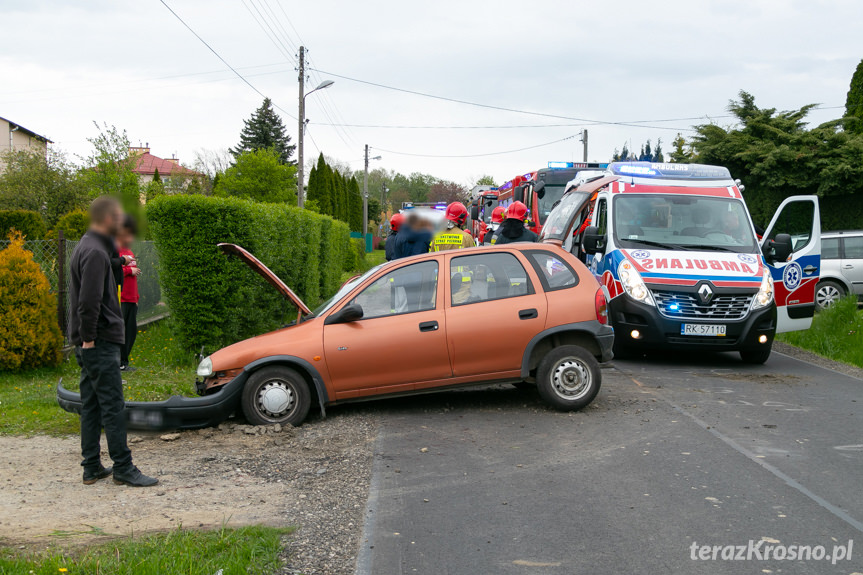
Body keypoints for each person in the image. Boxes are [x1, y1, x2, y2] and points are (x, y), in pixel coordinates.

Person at [69, 196, 158, 488]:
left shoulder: (89, 246)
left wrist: (120, 262)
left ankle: (91, 467)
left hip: (90, 342)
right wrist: (90, 340)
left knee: (92, 405)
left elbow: (106, 265)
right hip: (99, 342)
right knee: (113, 406)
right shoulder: (94, 252)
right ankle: (123, 468)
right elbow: (88, 302)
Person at [118, 215, 141, 371]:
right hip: (122, 297)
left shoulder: (129, 251)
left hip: (132, 297)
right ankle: (119, 362)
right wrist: (129, 270)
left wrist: (136, 297)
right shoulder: (116, 250)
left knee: (131, 332)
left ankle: (124, 361)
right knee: (121, 330)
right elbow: (113, 268)